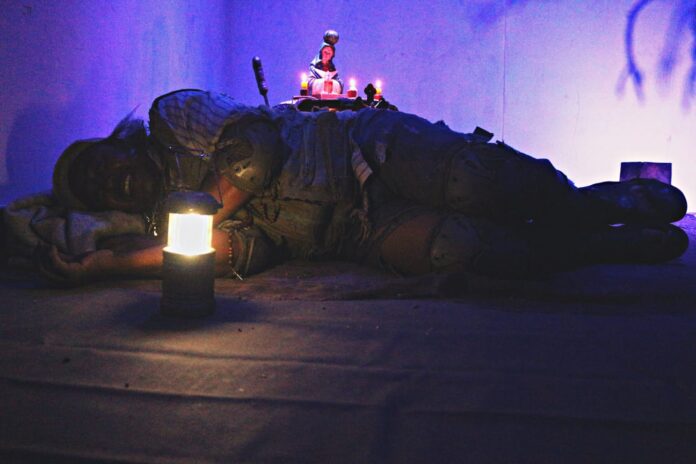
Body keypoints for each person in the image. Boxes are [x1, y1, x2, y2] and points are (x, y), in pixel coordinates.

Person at [39, 88, 688, 286]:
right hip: (351, 229)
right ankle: (601, 246)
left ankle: (595, 202)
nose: (108, 180)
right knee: (464, 252)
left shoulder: (171, 118)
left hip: (360, 148)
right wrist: (108, 263)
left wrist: (205, 210)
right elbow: (244, 252)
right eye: (96, 192)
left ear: (110, 142)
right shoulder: (166, 225)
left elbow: (255, 147)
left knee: (476, 181)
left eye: (95, 163)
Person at [308, 30, 344, 97]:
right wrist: (323, 82)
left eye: (329, 53)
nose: (327, 55)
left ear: (332, 56)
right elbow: (309, 83)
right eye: (325, 52)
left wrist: (332, 83)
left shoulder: (332, 69)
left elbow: (340, 84)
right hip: (316, 99)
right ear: (321, 52)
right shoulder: (314, 68)